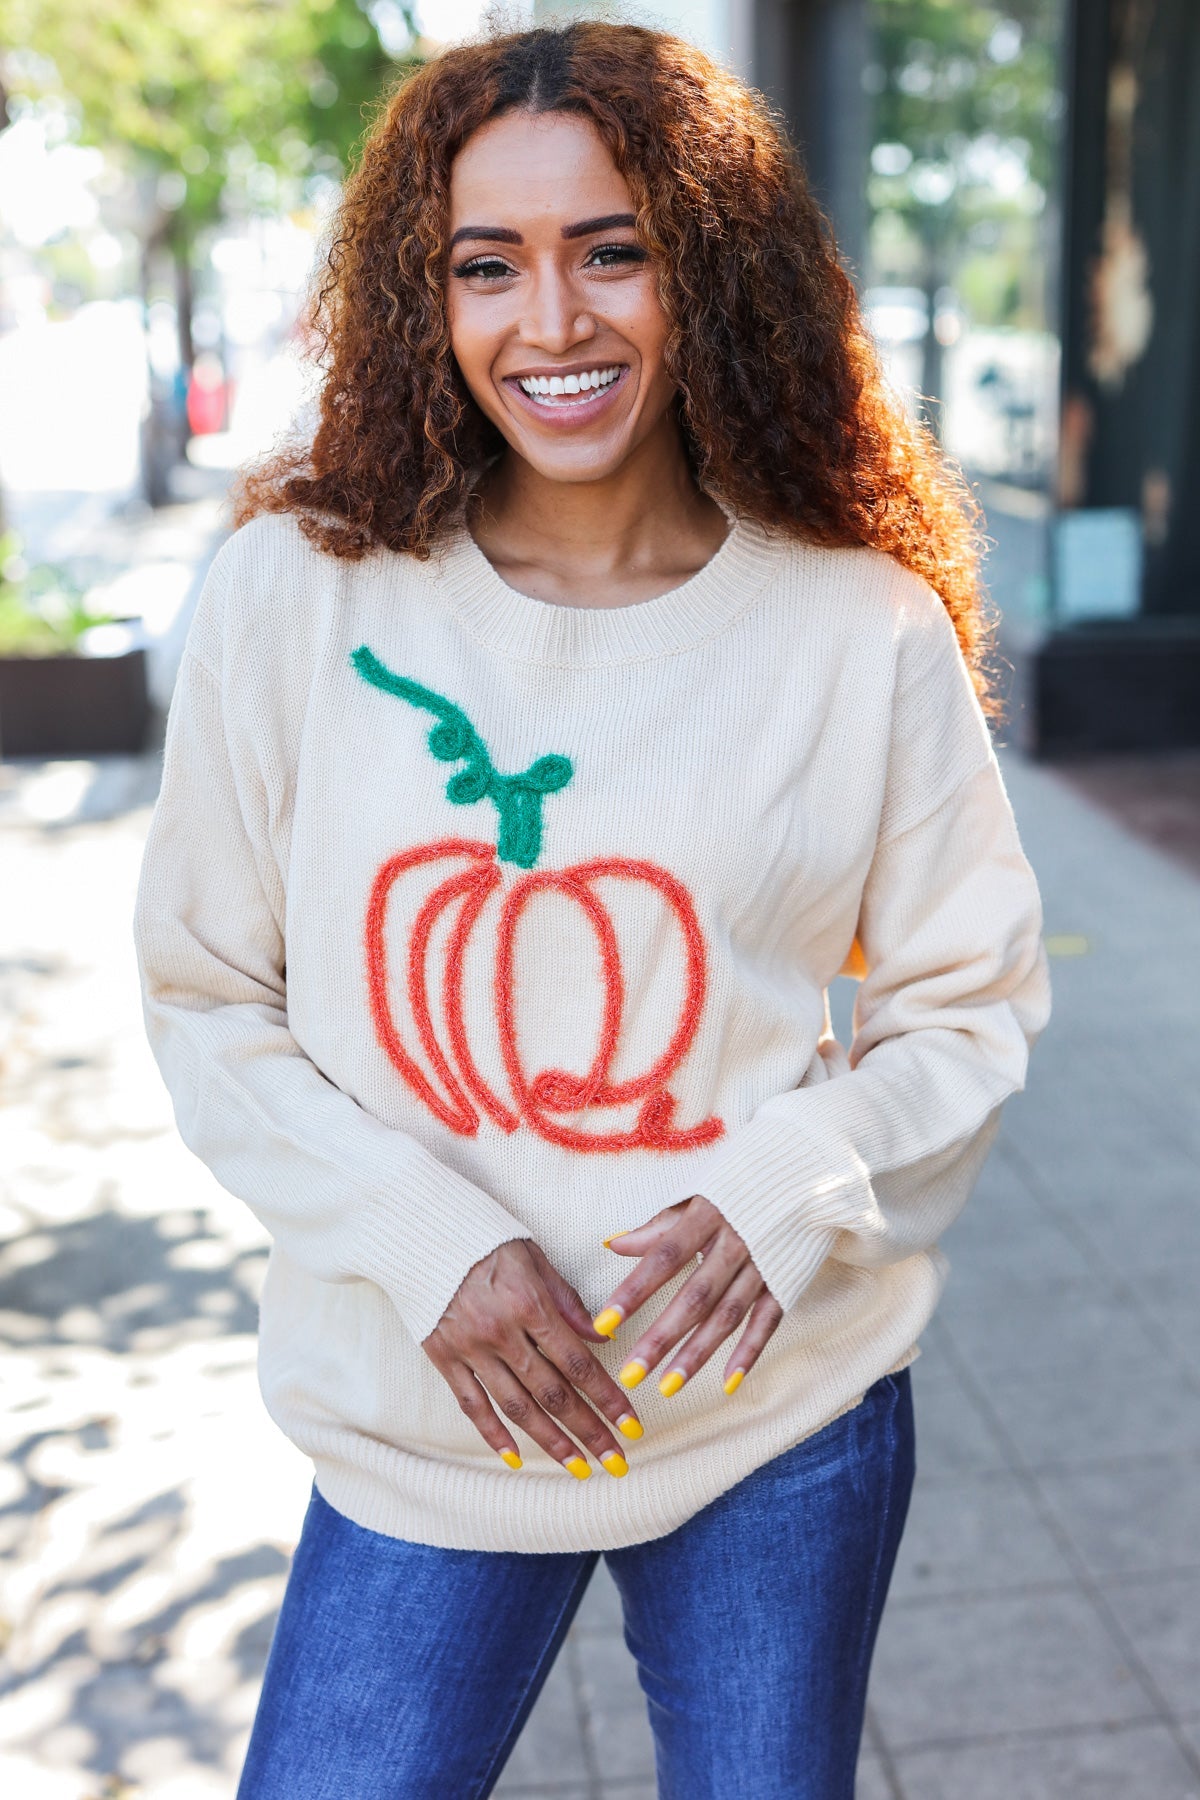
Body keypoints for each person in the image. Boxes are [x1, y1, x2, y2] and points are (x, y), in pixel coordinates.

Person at [133, 21, 1051, 1798]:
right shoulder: (296, 597)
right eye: (491, 266)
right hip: (424, 1418)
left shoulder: (855, 624)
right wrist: (426, 1240)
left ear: (708, 266)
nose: (551, 324)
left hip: (773, 1415)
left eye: (610, 249)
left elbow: (972, 1000)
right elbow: (204, 993)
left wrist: (799, 1183)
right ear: (431, 298)